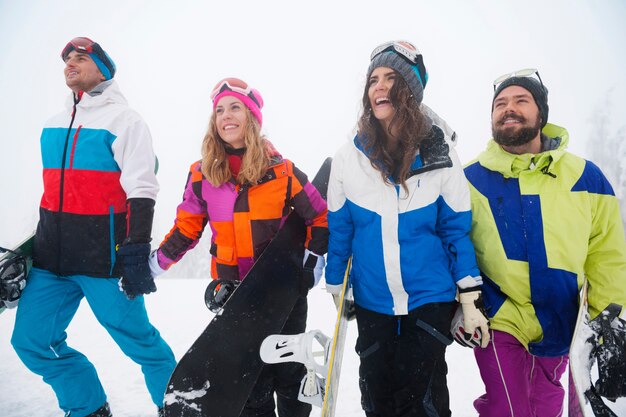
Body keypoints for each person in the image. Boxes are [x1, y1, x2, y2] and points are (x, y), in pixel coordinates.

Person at [10, 37, 176, 417]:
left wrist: (135, 248)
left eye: (80, 58)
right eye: (67, 59)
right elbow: (52, 194)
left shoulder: (125, 121)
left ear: (103, 68)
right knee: (33, 341)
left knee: (142, 344)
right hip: (52, 264)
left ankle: (179, 407)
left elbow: (142, 187)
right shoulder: (51, 125)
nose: (70, 63)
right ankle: (88, 408)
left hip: (105, 263)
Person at [324, 40, 489, 417]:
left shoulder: (440, 154)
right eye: (373, 80)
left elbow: (455, 231)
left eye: (391, 78)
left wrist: (468, 296)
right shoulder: (350, 157)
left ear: (411, 91)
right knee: (377, 400)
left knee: (419, 401)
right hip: (373, 299)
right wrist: (338, 286)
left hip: (429, 299)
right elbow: (341, 230)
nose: (379, 87)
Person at [149, 77, 328, 417]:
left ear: (252, 117)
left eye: (235, 108)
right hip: (234, 297)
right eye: (219, 110)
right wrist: (154, 265)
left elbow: (320, 215)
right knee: (246, 388)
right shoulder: (203, 175)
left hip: (283, 292)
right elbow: (187, 229)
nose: (226, 116)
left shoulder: (282, 172)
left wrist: (312, 261)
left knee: (289, 376)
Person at [463, 68, 626, 416]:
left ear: (541, 114)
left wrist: (608, 320)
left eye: (521, 100)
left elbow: (607, 256)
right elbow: (453, 243)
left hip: (560, 319)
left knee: (545, 406)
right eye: (500, 104)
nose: (509, 108)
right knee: (507, 406)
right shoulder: (469, 179)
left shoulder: (586, 177)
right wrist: (463, 303)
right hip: (499, 317)